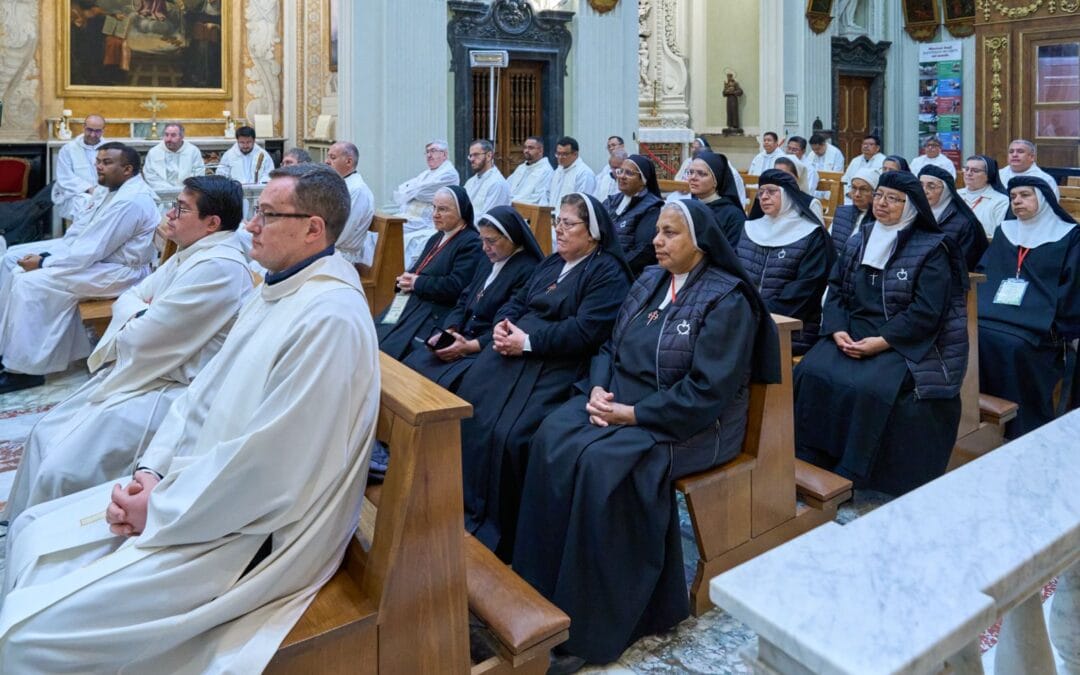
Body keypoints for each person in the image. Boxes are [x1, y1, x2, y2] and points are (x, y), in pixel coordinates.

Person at [0, 164, 379, 674]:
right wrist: (152, 472)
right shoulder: (276, 291)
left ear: (314, 229)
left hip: (244, 533)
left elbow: (272, 468)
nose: (250, 226)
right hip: (196, 495)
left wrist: (162, 508)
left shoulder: (328, 317)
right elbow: (202, 393)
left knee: (27, 638)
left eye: (267, 214)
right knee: (30, 532)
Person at [512, 199, 780, 672]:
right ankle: (539, 588)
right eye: (657, 231)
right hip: (621, 400)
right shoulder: (648, 280)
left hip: (690, 422)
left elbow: (707, 391)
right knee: (551, 436)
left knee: (602, 468)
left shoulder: (727, 298)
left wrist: (632, 415)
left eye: (670, 233)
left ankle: (595, 625)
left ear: (699, 242)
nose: (657, 241)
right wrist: (598, 388)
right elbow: (609, 346)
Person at [2, 175, 252, 523]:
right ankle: (18, 525)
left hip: (172, 388)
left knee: (63, 466)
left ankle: (45, 528)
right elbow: (132, 298)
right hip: (148, 371)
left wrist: (139, 311)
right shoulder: (194, 253)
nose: (170, 214)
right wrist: (140, 309)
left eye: (181, 208)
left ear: (212, 223)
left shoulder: (218, 266)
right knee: (45, 430)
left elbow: (144, 336)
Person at [457, 193, 632, 559]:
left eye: (569, 224)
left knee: (512, 434)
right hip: (516, 351)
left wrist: (529, 342)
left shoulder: (607, 272)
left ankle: (504, 532)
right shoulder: (552, 263)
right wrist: (504, 326)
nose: (559, 231)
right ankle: (467, 510)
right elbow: (519, 300)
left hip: (559, 364)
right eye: (557, 222)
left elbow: (587, 331)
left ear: (594, 233)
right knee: (470, 405)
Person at [794, 170, 968, 496]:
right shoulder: (860, 237)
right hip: (853, 331)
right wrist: (837, 330)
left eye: (892, 198)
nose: (881, 203)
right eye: (879, 196)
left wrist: (883, 342)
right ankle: (808, 457)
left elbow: (927, 311)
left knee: (868, 387)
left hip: (904, 342)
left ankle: (853, 471)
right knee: (810, 370)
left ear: (913, 205)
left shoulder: (933, 248)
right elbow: (836, 290)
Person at [0, 143, 159, 393]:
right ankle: (9, 349)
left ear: (127, 169)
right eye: (98, 161)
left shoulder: (130, 200)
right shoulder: (113, 191)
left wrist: (44, 262)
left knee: (29, 282)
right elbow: (84, 233)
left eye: (106, 162)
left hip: (121, 273)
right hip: (102, 263)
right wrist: (50, 256)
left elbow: (91, 249)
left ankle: (24, 370)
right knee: (15, 265)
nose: (98, 166)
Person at [976, 177, 1080, 438]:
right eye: (1013, 197)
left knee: (1013, 348)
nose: (1017, 201)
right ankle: (976, 426)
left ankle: (1022, 428)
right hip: (992, 315)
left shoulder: (1069, 236)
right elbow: (984, 271)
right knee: (970, 336)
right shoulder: (1006, 231)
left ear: (1044, 200)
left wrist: (1058, 326)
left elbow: (1072, 288)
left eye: (1025, 195)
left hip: (1040, 327)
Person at [403, 205, 544, 390]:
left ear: (511, 237)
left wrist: (469, 346)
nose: (485, 248)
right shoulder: (488, 258)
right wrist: (452, 329)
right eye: (482, 240)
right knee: (412, 363)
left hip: (487, 347)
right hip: (462, 335)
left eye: (491, 241)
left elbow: (509, 324)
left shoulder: (528, 269)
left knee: (443, 384)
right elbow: (464, 299)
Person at [375, 185, 482, 361]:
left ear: (461, 211)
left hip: (435, 311)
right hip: (413, 303)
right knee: (376, 333)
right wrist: (404, 279)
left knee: (393, 350)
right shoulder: (437, 236)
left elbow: (456, 286)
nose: (435, 214)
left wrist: (416, 283)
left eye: (443, 209)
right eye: (434, 207)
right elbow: (417, 268)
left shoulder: (471, 243)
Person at [738, 170, 834, 355]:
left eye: (772, 191)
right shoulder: (749, 228)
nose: (764, 197)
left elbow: (805, 292)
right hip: (746, 319)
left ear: (788, 195)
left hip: (793, 327)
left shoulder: (811, 234)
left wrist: (756, 316)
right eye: (761, 192)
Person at [392, 139, 460, 268]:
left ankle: (397, 270)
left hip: (426, 220)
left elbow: (422, 193)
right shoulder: (427, 173)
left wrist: (412, 190)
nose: (429, 155)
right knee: (384, 230)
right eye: (427, 152)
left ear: (444, 154)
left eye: (433, 151)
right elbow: (402, 190)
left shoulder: (449, 173)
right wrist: (414, 190)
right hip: (412, 215)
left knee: (396, 234)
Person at [919, 165, 989, 270]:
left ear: (946, 191)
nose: (924, 191)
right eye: (920, 185)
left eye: (931, 186)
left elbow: (964, 264)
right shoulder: (914, 215)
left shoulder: (965, 223)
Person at [603, 154, 662, 275]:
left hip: (627, 272)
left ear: (643, 181)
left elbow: (643, 251)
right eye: (621, 171)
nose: (622, 176)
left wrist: (614, 268)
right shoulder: (611, 201)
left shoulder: (652, 207)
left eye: (629, 173)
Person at [325, 141, 375, 268]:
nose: (326, 161)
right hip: (328, 250)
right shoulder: (340, 184)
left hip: (340, 257)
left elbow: (343, 232)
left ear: (348, 161)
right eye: (328, 156)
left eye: (333, 157)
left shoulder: (357, 190)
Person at [685, 151, 746, 247]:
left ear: (716, 180)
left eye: (701, 174)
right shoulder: (687, 208)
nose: (693, 177)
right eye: (690, 172)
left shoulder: (733, 216)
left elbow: (733, 255)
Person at [51, 113, 106, 220]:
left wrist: (101, 191)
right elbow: (65, 177)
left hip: (103, 192)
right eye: (89, 130)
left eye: (97, 131)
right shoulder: (68, 149)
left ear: (103, 130)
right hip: (75, 194)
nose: (93, 135)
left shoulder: (109, 149)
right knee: (86, 205)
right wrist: (89, 189)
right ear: (84, 127)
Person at [958, 154, 1010, 239]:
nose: (968, 173)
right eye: (966, 169)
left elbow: (1000, 235)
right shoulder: (955, 195)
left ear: (988, 175)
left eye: (975, 170)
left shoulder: (1001, 200)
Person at [142, 123, 206, 191]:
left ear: (182, 137)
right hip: (161, 193)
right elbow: (150, 175)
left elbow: (198, 173)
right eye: (166, 135)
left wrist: (183, 190)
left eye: (173, 135)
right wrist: (169, 190)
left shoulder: (193, 151)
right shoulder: (154, 152)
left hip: (187, 192)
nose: (168, 139)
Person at [830, 168, 879, 251]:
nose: (857, 194)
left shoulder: (878, 219)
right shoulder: (841, 212)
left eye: (863, 189)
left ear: (874, 193)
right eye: (854, 188)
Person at [463, 139, 511, 216]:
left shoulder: (497, 183)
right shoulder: (470, 181)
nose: (471, 159)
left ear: (489, 156)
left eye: (476, 155)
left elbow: (489, 219)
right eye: (470, 156)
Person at [547, 137, 596, 207]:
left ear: (575, 154)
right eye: (558, 153)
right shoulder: (558, 170)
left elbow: (582, 203)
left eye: (564, 154)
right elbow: (548, 194)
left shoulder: (584, 173)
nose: (560, 157)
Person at [772, 156, 824, 221]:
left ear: (797, 177)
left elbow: (818, 230)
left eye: (785, 175)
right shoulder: (769, 200)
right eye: (776, 174)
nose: (779, 179)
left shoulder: (811, 205)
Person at [505, 136, 553, 204]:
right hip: (510, 205)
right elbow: (507, 186)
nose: (526, 151)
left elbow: (537, 197)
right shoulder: (521, 167)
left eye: (530, 148)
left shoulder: (546, 171)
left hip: (527, 209)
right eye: (525, 147)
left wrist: (511, 200)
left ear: (540, 150)